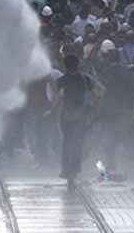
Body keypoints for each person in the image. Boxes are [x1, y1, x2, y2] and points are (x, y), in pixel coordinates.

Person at [43, 53, 106, 190]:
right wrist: (95, 108)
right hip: (81, 114)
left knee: (67, 141)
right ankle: (75, 170)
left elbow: (59, 95)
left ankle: (66, 169)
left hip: (66, 115)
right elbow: (99, 92)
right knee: (78, 143)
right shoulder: (84, 79)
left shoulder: (63, 80)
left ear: (65, 66)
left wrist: (51, 110)